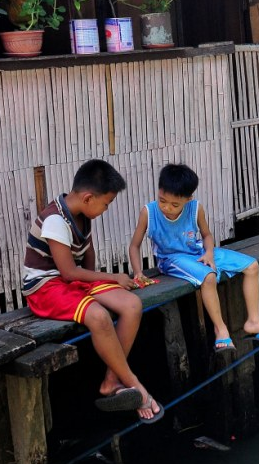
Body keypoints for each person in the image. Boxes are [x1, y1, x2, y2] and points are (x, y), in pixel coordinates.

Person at [22, 160, 163, 423]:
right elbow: (68, 272)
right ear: (88, 198)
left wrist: (101, 286)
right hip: (44, 286)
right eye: (106, 203)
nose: (106, 209)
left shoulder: (82, 215)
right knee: (99, 317)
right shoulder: (54, 219)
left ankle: (111, 380)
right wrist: (111, 278)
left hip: (71, 282)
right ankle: (134, 382)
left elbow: (87, 255)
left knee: (132, 305)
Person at [129, 163, 259, 353]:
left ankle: (254, 321)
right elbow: (134, 246)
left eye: (175, 204)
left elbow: (207, 236)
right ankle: (221, 329)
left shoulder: (195, 209)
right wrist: (138, 272)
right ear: (158, 192)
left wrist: (209, 253)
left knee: (252, 265)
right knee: (208, 277)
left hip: (198, 252)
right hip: (170, 259)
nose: (167, 208)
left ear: (188, 199)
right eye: (162, 201)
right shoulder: (149, 212)